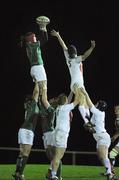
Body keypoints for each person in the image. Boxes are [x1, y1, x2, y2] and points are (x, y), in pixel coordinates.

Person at [50, 30, 95, 126]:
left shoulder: (68, 58)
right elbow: (85, 55)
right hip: (77, 84)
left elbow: (63, 46)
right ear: (75, 52)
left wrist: (58, 36)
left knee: (85, 101)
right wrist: (92, 47)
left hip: (76, 84)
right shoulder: (76, 59)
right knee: (82, 100)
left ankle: (88, 121)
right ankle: (87, 122)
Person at [81, 88, 117, 180]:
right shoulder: (97, 114)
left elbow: (90, 104)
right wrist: (88, 125)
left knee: (104, 156)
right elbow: (92, 125)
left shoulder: (98, 112)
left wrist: (85, 93)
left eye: (98, 103)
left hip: (103, 137)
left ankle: (111, 174)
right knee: (101, 157)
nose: (96, 104)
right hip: (99, 137)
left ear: (99, 106)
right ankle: (108, 171)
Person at [39, 87, 74, 180]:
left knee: (54, 156)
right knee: (51, 156)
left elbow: (67, 101)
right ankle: (52, 173)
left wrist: (72, 91)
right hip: (48, 134)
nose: (52, 99)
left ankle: (56, 175)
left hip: (51, 132)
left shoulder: (57, 108)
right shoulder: (50, 107)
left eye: (55, 99)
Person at [47, 85, 80, 180]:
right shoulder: (65, 108)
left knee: (56, 156)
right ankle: (53, 175)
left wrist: (71, 91)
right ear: (65, 101)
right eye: (66, 99)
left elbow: (68, 100)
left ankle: (50, 171)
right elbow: (76, 101)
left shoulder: (59, 107)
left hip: (56, 133)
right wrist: (78, 90)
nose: (67, 100)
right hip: (62, 134)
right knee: (58, 156)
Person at [12, 81, 40, 180]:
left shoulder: (29, 107)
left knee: (22, 153)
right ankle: (20, 174)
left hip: (24, 130)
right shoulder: (33, 104)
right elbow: (36, 93)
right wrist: (37, 83)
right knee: (25, 153)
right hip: (27, 131)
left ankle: (17, 173)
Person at [23, 16, 50, 98]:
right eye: (34, 37)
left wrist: (43, 28)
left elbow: (43, 39)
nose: (36, 38)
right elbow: (44, 39)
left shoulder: (29, 45)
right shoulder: (34, 45)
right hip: (38, 68)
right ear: (31, 39)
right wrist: (43, 27)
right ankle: (44, 107)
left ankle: (36, 105)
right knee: (43, 89)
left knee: (39, 89)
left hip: (34, 68)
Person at [108, 105, 119, 175]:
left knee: (112, 154)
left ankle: (111, 171)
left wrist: (115, 137)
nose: (116, 110)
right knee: (112, 154)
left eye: (117, 109)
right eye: (115, 109)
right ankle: (111, 171)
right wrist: (113, 137)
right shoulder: (116, 120)